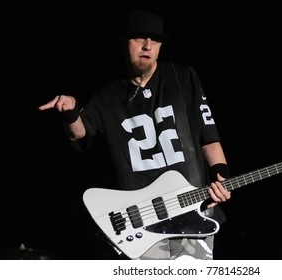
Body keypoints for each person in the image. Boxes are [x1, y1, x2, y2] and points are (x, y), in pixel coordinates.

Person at [38, 9, 231, 260]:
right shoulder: (109, 94)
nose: (147, 45)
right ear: (124, 43)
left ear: (161, 47)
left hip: (192, 210)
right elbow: (79, 134)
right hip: (142, 220)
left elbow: (209, 138)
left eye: (155, 40)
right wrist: (70, 111)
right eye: (139, 38)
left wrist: (221, 178)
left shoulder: (182, 78)